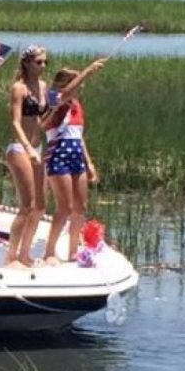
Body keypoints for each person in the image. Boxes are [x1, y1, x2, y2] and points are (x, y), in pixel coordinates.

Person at [42, 59, 106, 264]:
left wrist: (89, 163)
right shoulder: (54, 100)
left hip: (76, 153)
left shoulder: (76, 105)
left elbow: (79, 136)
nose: (80, 87)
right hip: (58, 154)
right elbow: (63, 96)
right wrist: (87, 71)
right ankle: (49, 251)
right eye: (76, 83)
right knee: (65, 207)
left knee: (80, 206)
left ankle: (72, 251)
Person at [4, 45, 50, 267]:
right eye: (38, 62)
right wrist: (28, 147)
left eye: (44, 62)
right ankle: (11, 256)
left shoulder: (42, 86)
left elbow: (41, 119)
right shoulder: (19, 88)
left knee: (41, 206)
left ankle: (25, 252)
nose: (42, 66)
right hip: (20, 148)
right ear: (27, 63)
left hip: (38, 146)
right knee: (28, 205)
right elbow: (15, 121)